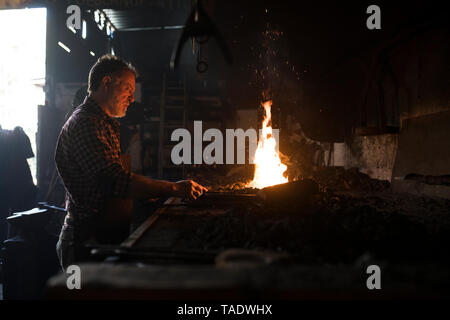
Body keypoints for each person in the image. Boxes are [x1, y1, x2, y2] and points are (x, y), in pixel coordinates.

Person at [55, 54, 207, 271]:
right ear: (107, 83)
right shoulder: (85, 124)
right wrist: (174, 188)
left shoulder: (104, 124)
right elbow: (113, 180)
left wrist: (151, 195)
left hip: (102, 235)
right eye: (127, 89)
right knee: (81, 295)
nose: (132, 98)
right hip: (83, 243)